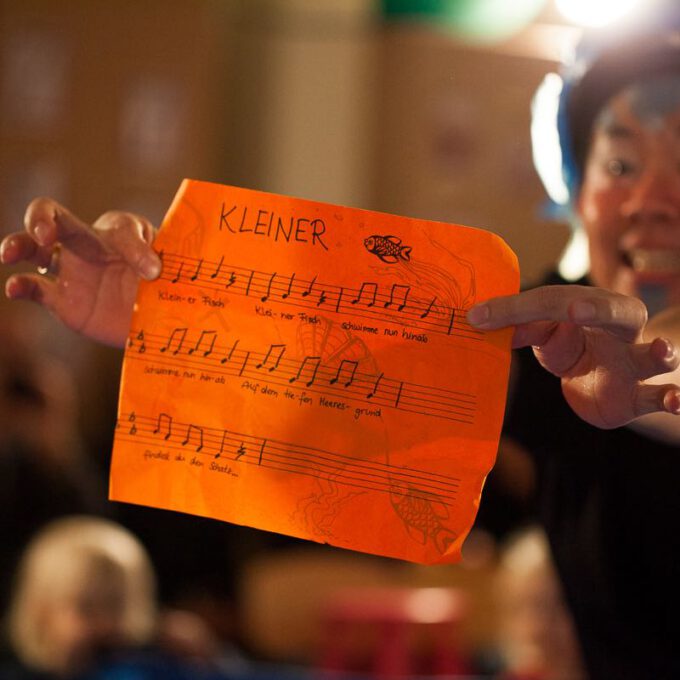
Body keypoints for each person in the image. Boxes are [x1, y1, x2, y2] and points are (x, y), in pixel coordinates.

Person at [2, 4, 680, 677]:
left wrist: (657, 397)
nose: (651, 196)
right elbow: (359, 371)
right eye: (619, 164)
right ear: (579, 190)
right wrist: (173, 318)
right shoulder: (553, 340)